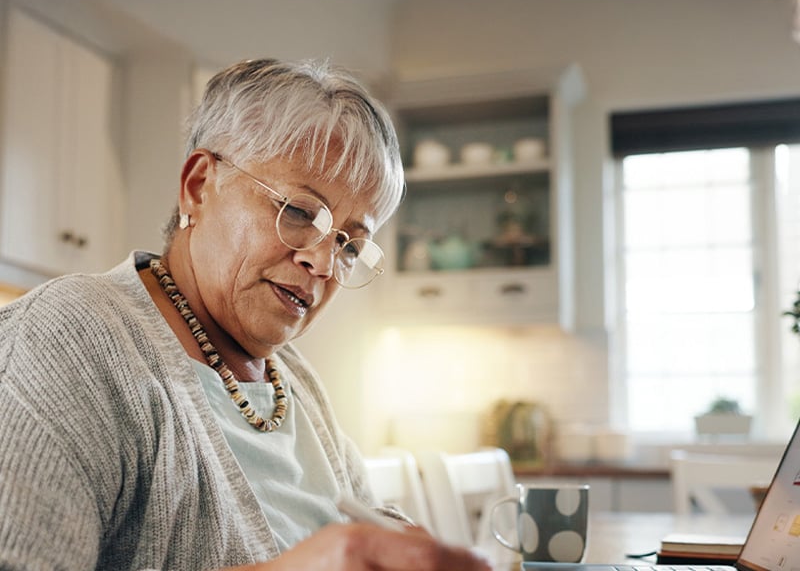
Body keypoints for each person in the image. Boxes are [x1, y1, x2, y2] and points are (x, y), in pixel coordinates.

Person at [0, 58, 489, 571]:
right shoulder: (63, 340)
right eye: (299, 212)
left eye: (348, 246)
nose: (323, 263)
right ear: (198, 186)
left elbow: (354, 522)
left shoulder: (294, 379)